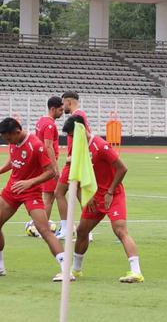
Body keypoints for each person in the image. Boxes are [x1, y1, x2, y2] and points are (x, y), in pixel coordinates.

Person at [0, 117, 69, 280]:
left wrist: (30, 182)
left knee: (44, 230)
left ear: (17, 131)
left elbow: (51, 172)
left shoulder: (36, 146)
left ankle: (66, 270)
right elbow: (13, 160)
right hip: (12, 189)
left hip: (31, 192)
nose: (8, 142)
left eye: (8, 138)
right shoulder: (13, 142)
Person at [61, 115, 143, 283]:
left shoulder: (101, 146)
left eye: (72, 135)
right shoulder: (78, 149)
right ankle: (75, 271)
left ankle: (136, 272)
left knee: (120, 230)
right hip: (94, 198)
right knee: (82, 231)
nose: (71, 139)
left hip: (112, 195)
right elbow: (76, 177)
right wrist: (86, 198)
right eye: (69, 136)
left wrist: (110, 191)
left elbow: (122, 168)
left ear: (82, 130)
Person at [52, 91, 89, 239]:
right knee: (80, 195)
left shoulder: (77, 116)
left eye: (63, 103)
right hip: (77, 162)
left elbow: (86, 137)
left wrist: (73, 157)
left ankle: (67, 229)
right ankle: (87, 231)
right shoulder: (81, 115)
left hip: (74, 163)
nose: (63, 107)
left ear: (69, 102)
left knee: (58, 193)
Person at [34, 96, 64, 230]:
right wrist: (54, 168)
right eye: (60, 110)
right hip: (47, 165)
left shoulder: (41, 121)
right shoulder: (50, 125)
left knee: (47, 197)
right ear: (53, 109)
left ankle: (40, 226)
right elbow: (48, 146)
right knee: (48, 198)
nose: (62, 113)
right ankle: (42, 229)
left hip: (41, 163)